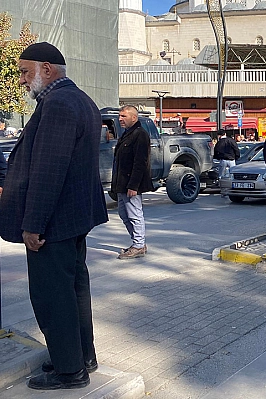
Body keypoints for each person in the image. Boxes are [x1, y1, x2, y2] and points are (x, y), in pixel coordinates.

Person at [0, 42, 108, 390]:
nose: (19, 80)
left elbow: (48, 170)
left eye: (23, 71)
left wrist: (33, 225)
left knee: (53, 297)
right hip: (73, 218)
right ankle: (80, 357)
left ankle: (68, 370)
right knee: (74, 290)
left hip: (54, 224)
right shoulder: (80, 99)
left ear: (46, 69)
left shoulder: (58, 104)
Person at [111, 105, 155, 259]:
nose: (120, 119)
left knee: (134, 214)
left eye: (123, 116)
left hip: (130, 184)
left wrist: (133, 185)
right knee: (124, 214)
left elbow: (140, 162)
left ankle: (138, 244)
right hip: (122, 184)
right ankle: (138, 242)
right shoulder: (127, 134)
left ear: (134, 117)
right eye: (120, 116)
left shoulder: (140, 134)